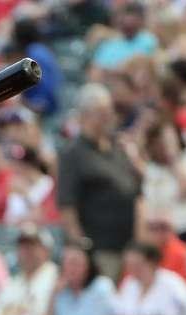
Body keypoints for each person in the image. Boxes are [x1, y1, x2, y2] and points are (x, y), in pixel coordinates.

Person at [57, 84, 140, 278]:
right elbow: (67, 206)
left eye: (109, 111)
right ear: (85, 115)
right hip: (100, 250)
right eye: (102, 112)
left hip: (129, 247)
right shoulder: (73, 153)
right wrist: (82, 249)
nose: (108, 117)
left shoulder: (117, 147)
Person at [50, 238, 116, 315]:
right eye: (66, 262)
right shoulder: (60, 292)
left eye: (75, 262)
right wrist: (52, 296)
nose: (71, 268)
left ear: (88, 265)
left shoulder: (102, 286)